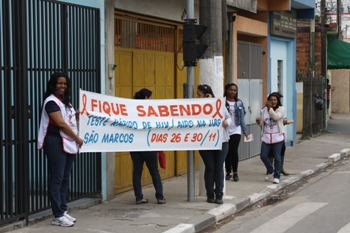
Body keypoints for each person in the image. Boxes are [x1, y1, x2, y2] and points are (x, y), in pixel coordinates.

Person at [37, 72, 84, 227]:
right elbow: (61, 124)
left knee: (65, 178)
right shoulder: (51, 102)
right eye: (59, 83)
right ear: (53, 84)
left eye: (65, 83)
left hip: (68, 142)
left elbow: (69, 121)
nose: (62, 86)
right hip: (55, 142)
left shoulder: (65, 103)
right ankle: (57, 215)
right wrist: (77, 138)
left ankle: (62, 210)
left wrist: (76, 115)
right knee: (56, 179)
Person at [130, 88, 166, 205]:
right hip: (148, 144)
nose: (152, 99)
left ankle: (138, 197)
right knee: (154, 171)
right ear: (146, 98)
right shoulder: (151, 111)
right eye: (150, 97)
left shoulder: (131, 109)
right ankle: (160, 197)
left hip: (135, 145)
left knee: (137, 171)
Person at [197, 84, 231, 204]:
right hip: (205, 142)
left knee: (219, 167)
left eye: (200, 95)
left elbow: (229, 117)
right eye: (198, 95)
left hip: (221, 141)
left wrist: (227, 122)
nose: (199, 97)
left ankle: (219, 193)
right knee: (210, 167)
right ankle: (210, 193)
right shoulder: (196, 107)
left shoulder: (218, 104)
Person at [256, 92, 285, 184]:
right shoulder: (263, 110)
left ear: (278, 101)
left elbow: (276, 117)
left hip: (277, 137)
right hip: (267, 137)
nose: (273, 102)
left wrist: (270, 108)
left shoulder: (281, 109)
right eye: (271, 100)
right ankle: (271, 171)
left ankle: (277, 176)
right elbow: (263, 122)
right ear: (268, 100)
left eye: (275, 100)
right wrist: (259, 122)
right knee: (263, 156)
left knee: (277, 157)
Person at [223, 83, 249, 182]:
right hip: (225, 129)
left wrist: (245, 131)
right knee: (227, 151)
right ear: (226, 90)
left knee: (234, 151)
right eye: (231, 90)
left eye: (234, 90)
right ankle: (228, 172)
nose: (233, 92)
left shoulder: (239, 102)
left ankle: (235, 173)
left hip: (236, 129)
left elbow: (242, 117)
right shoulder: (222, 102)